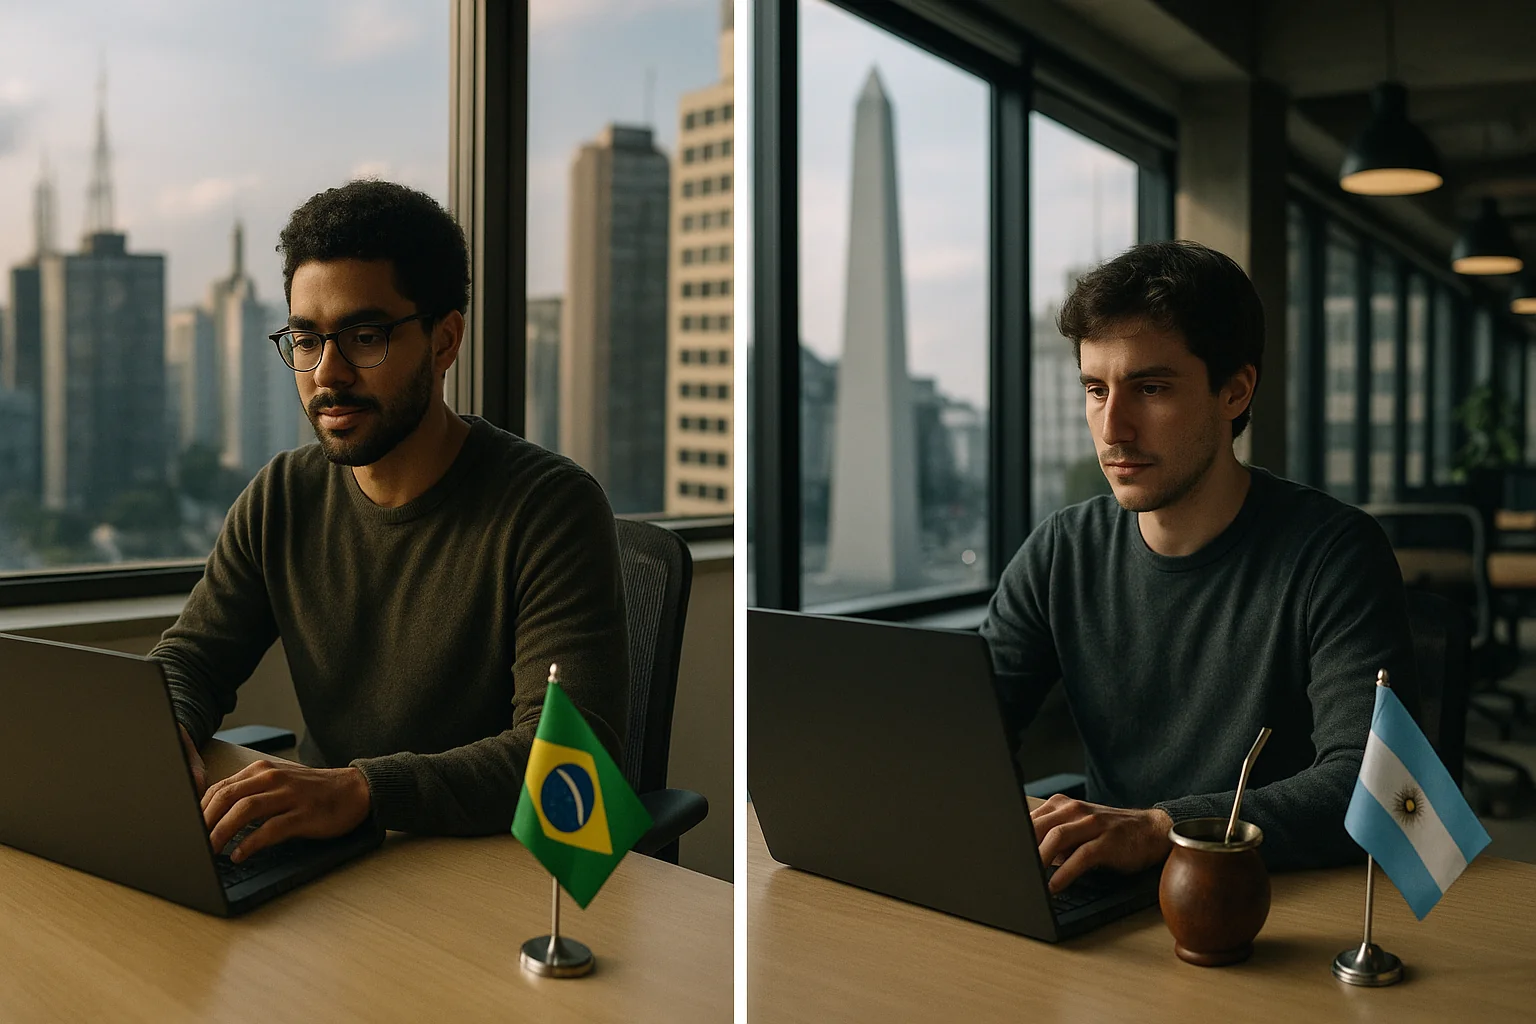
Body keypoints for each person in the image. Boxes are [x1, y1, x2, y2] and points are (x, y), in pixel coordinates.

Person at [150, 180, 628, 864]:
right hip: (334, 865)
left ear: (444, 341)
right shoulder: (282, 497)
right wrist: (164, 728)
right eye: (306, 340)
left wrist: (362, 790)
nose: (328, 373)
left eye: (364, 337)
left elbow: (571, 758)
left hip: (492, 877)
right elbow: (190, 663)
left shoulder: (549, 509)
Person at [980, 239, 1416, 893]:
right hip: (1111, 902)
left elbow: (1371, 786)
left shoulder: (1335, 553)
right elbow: (964, 734)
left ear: (1234, 392)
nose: (1113, 427)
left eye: (1149, 387)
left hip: (1275, 904)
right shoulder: (1062, 551)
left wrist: (1160, 828)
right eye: (1096, 389)